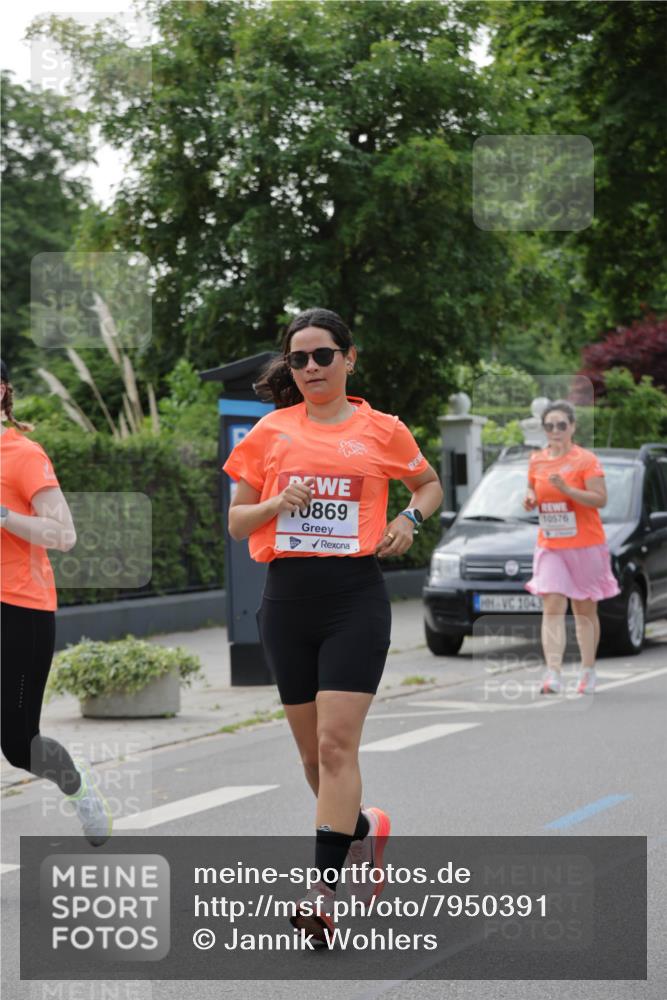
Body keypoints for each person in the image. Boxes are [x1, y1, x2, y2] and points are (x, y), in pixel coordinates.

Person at [223, 308, 443, 943]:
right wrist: (273, 502)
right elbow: (239, 524)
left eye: (323, 356)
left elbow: (427, 485)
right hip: (287, 600)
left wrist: (409, 521)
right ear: (289, 368)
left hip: (354, 597)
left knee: (334, 746)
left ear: (350, 358)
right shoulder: (270, 431)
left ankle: (323, 896)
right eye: (299, 359)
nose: (312, 368)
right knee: (311, 755)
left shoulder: (382, 429)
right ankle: (365, 828)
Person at [0, 359, 112, 846]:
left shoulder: (22, 454)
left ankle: (77, 783)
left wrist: (3, 514)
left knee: (19, 746)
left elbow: (64, 534)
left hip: (18, 609)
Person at [523, 399, 620, 695]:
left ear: (572, 427)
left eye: (561, 425)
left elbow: (599, 499)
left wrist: (567, 489)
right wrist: (529, 498)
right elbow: (532, 488)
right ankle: (553, 673)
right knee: (551, 604)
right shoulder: (537, 460)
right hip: (551, 543)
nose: (555, 430)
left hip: (586, 544)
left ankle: (588, 670)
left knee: (583, 609)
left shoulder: (586, 460)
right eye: (549, 426)